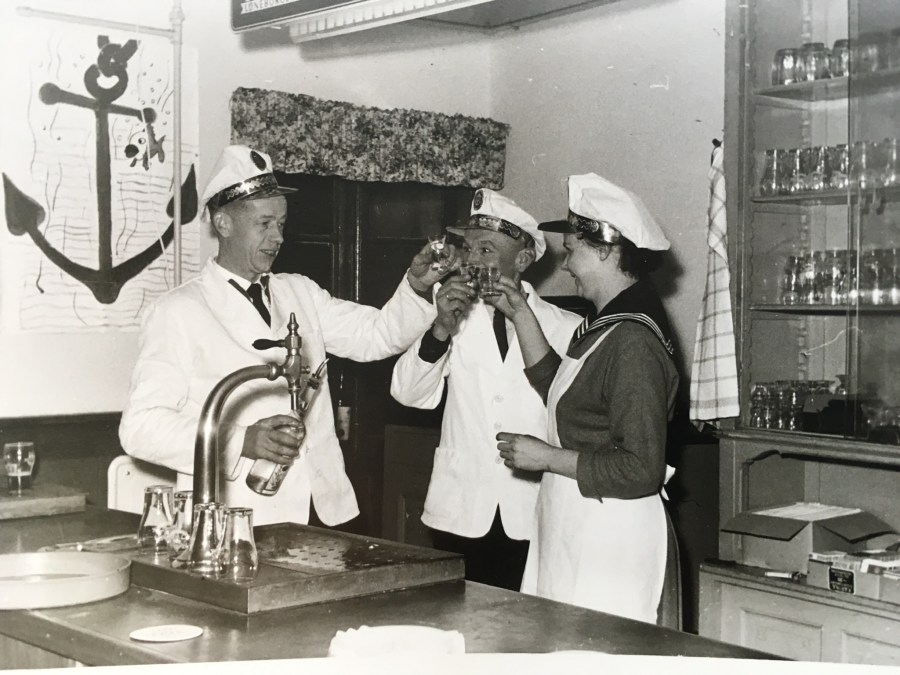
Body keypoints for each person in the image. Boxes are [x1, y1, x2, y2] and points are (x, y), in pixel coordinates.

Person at [119, 144, 444, 527]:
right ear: (223, 224)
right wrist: (240, 440)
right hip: (238, 517)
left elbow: (378, 336)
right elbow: (140, 428)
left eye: (281, 224)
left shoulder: (299, 291)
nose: (278, 238)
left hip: (324, 508)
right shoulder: (178, 310)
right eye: (264, 224)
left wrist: (418, 286)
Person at [494, 173, 679, 623]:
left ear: (605, 250)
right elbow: (566, 394)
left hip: (611, 539)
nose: (566, 266)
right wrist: (520, 313)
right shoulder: (605, 325)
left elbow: (641, 468)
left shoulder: (633, 340)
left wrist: (545, 457)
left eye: (572, 250)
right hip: (580, 525)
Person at [390, 188, 581, 590]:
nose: (472, 260)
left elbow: (574, 415)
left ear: (522, 260)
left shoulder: (565, 327)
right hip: (459, 510)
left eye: (486, 250)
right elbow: (407, 393)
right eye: (469, 248)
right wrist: (440, 329)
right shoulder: (450, 310)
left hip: (530, 512)